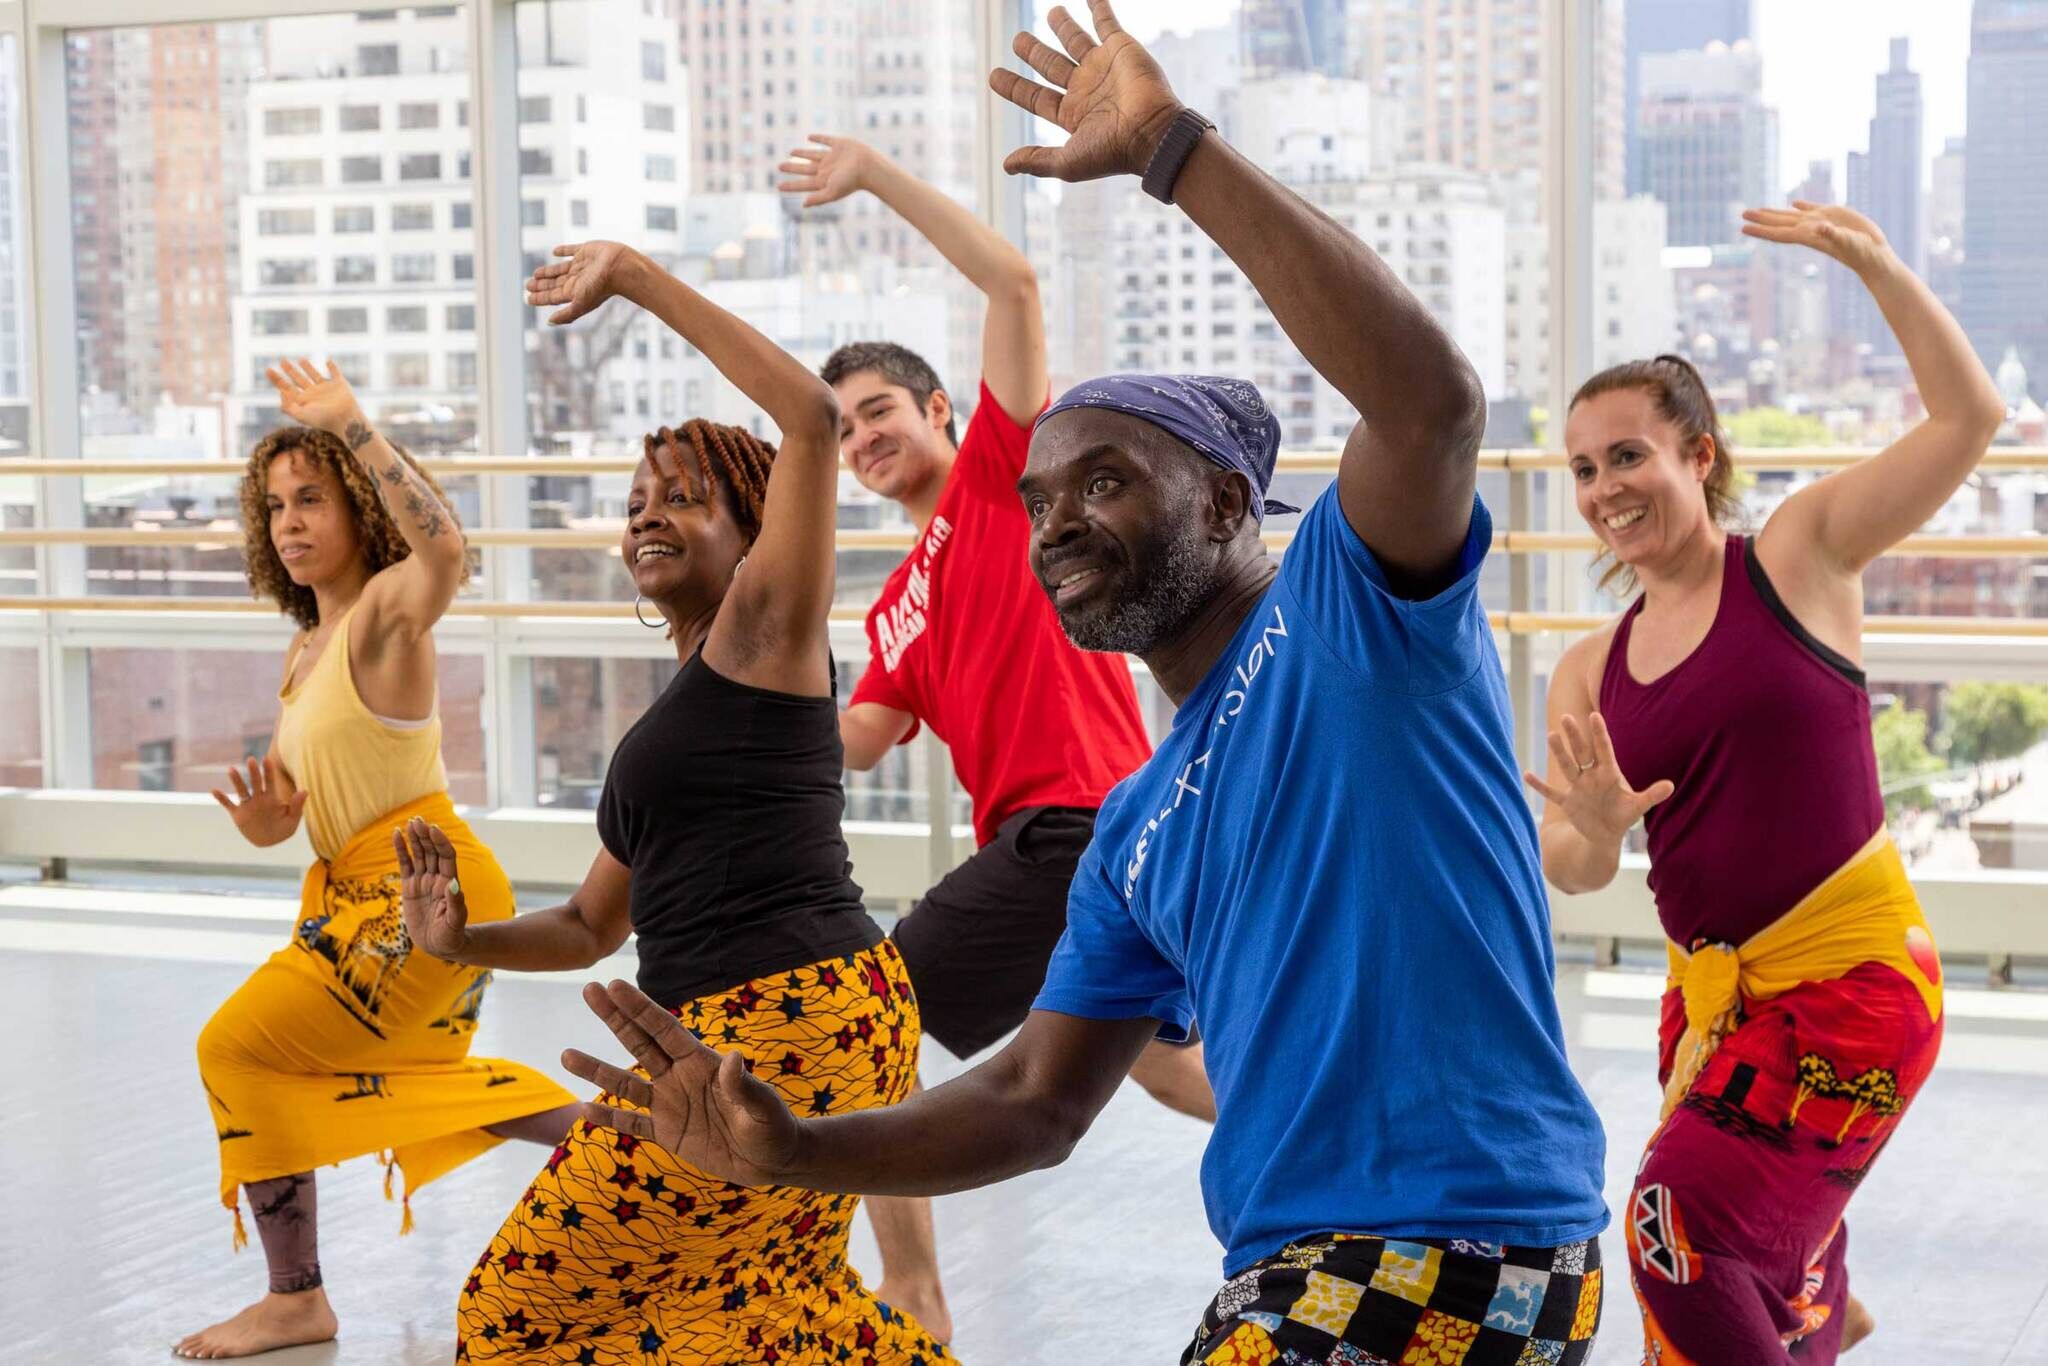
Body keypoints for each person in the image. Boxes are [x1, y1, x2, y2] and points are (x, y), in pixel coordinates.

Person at [553, 8, 1610, 1361]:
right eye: (1039, 495)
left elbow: (1432, 408)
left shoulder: (1351, 615)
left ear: (1230, 499)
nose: (1051, 521)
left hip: (1455, 1249)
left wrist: (1173, 149)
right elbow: (1036, 1100)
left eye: (1103, 480)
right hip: (1293, 1264)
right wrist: (793, 1145)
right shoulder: (1138, 828)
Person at [413, 239, 946, 1364]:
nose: (646, 516)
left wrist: (633, 277)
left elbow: (807, 416)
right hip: (761, 1025)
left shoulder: (768, 630)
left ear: (753, 533)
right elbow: (589, 925)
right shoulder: (677, 711)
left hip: (784, 1021)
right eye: (636, 501)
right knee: (762, 1302)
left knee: (516, 1313)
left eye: (684, 498)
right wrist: (459, 939)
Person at [1525, 203, 2001, 1362]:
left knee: (1668, 1227)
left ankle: (1813, 1301)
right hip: (1715, 1007)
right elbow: (1577, 868)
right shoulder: (1585, 668)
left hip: (1855, 989)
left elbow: (1968, 416)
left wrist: (1875, 267)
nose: (1602, 488)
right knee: (1738, 1252)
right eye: (1583, 468)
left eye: (1627, 454)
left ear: (1698, 453)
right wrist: (1586, 828)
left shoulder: (1799, 554)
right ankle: (1821, 1307)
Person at [778, 129, 1212, 1340]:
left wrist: (872, 175)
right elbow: (854, 739)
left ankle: (911, 1289)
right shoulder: (890, 602)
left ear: (933, 408)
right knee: (1159, 1060)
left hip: (1073, 823)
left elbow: (1012, 286)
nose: (862, 437)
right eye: (841, 427)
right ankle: (1364, 1132)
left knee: (862, 1019)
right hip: (1089, 836)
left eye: (876, 411)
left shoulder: (996, 473)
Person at [178, 363, 580, 1360]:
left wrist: (353, 424)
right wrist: (269, 826)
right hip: (360, 888)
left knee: (235, 1047)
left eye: (310, 497)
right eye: (274, 505)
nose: (289, 520)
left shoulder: (390, 612)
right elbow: (304, 814)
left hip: (418, 883)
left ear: (356, 503)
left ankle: (295, 1298)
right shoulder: (304, 652)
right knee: (387, 1076)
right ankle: (648, 1139)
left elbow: (446, 548)